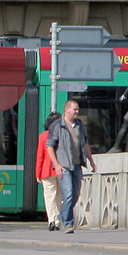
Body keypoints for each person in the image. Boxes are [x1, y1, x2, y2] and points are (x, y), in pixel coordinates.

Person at [46, 99, 97, 235]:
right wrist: (56, 165)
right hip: (64, 166)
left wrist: (91, 161)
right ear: (66, 110)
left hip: (77, 164)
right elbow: (49, 146)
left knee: (75, 195)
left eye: (77, 109)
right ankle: (68, 224)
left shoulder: (79, 125)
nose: (77, 112)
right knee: (68, 194)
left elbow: (85, 144)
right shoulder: (58, 125)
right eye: (75, 109)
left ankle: (63, 215)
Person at [35, 112, 62, 231]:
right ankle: (58, 221)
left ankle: (52, 220)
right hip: (61, 170)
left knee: (49, 196)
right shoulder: (63, 134)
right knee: (59, 197)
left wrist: (38, 173)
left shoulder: (42, 136)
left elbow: (40, 156)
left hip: (46, 171)